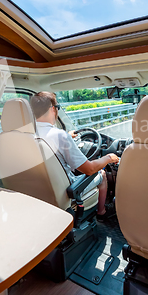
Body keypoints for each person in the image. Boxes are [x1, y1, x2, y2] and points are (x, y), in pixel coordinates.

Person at [30, 91, 119, 221]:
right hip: (66, 192)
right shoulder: (59, 136)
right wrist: (109, 158)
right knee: (102, 174)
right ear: (53, 109)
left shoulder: (26, 135)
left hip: (37, 191)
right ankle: (101, 212)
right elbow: (89, 169)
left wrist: (66, 135)